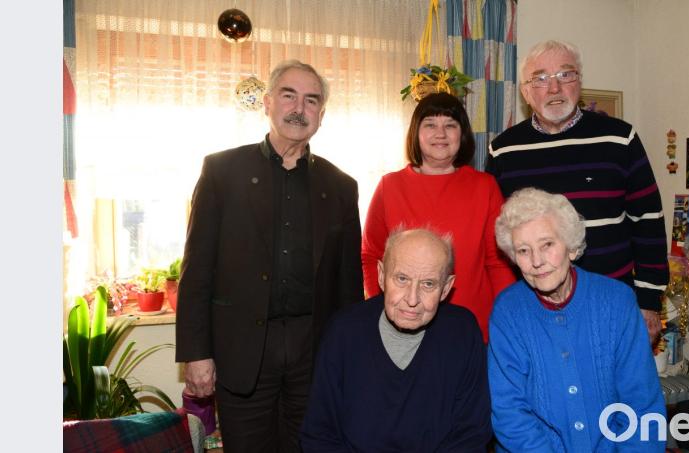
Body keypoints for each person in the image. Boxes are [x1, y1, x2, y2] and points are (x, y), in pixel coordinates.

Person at [175, 59, 363, 452]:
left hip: (313, 353)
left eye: (311, 101)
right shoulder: (221, 172)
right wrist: (196, 354)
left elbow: (349, 288)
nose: (299, 108)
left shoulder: (342, 186)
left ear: (321, 115)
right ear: (267, 103)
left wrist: (349, 360)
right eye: (288, 95)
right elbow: (197, 271)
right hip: (242, 349)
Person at [486, 39, 669, 342]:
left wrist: (649, 302)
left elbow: (648, 220)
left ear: (579, 83)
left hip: (613, 303)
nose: (554, 88)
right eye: (541, 78)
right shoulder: (503, 150)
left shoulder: (620, 138)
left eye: (565, 75)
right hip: (534, 310)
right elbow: (498, 238)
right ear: (525, 91)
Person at [488, 188, 665, 452]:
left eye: (547, 245)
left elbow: (641, 406)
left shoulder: (618, 302)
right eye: (523, 251)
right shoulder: (507, 313)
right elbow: (510, 414)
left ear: (571, 247)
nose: (537, 261)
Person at [301, 228, 492, 452]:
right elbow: (319, 434)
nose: (412, 299)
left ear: (446, 288)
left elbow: (471, 434)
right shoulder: (344, 332)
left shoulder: (462, 333)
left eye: (428, 284)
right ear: (381, 275)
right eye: (402, 279)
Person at [362, 92, 516, 342]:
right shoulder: (389, 186)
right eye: (430, 124)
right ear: (416, 132)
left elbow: (497, 263)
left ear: (462, 134)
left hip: (473, 328)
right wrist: (383, 309)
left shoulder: (485, 187)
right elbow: (371, 257)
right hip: (404, 326)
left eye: (450, 125)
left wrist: (511, 317)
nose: (440, 133)